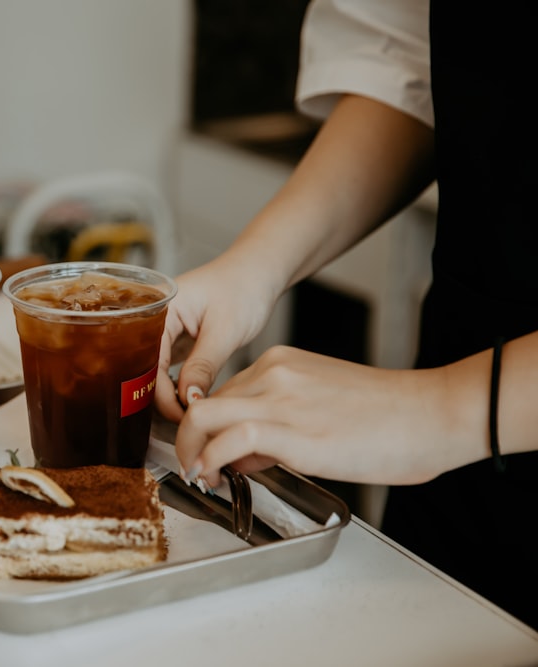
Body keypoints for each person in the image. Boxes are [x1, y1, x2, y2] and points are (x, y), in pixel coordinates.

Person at [154, 0, 538, 629]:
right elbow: (405, 63)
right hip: (457, 466)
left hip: (453, 418)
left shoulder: (438, 412)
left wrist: (446, 407)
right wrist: (253, 268)